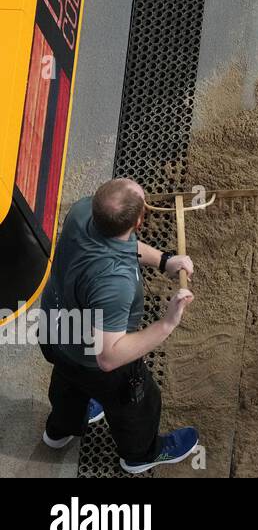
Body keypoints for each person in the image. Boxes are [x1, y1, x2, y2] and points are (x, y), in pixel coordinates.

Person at [38, 178, 201, 473]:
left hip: (52, 330)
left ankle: (58, 432)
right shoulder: (115, 281)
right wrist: (167, 323)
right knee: (139, 402)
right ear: (139, 221)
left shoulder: (82, 212)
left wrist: (165, 261)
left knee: (67, 383)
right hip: (90, 360)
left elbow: (123, 242)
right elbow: (108, 357)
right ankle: (141, 455)